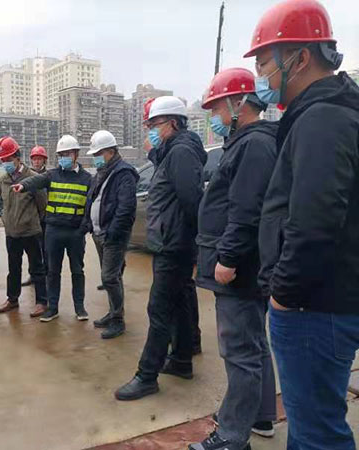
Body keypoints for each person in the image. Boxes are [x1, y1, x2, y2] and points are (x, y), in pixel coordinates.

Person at [246, 1, 359, 448]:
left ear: (300, 58)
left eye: (263, 63)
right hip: (321, 300)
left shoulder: (323, 118)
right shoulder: (328, 112)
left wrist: (284, 295)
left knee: (317, 434)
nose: (260, 75)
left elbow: (315, 220)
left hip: (313, 307)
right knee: (312, 425)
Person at [188, 68, 278, 450]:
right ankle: (255, 415)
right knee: (252, 346)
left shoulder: (253, 145)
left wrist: (226, 258)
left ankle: (231, 436)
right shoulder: (247, 143)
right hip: (243, 266)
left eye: (217, 109)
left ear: (238, 103)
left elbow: (245, 211)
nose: (215, 117)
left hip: (239, 270)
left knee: (240, 352)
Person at [115, 96, 206, 400]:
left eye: (155, 124)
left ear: (174, 123)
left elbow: (191, 200)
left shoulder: (181, 152)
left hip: (174, 244)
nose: (150, 130)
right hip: (172, 240)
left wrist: (188, 238)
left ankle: (147, 375)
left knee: (159, 308)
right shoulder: (175, 150)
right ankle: (181, 360)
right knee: (179, 302)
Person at [12, 135, 92, 322]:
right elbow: (36, 181)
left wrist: (84, 228)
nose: (63, 157)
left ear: (76, 154)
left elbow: (91, 207)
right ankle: (53, 308)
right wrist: (22, 185)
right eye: (61, 155)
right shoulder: (52, 175)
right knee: (52, 272)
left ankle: (80, 308)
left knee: (77, 271)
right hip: (54, 231)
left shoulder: (87, 179)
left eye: (67, 154)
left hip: (75, 232)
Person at [82, 130, 138, 339]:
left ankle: (117, 321)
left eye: (99, 153)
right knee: (112, 276)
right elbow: (93, 199)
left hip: (113, 235)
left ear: (111, 151)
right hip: (100, 233)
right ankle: (114, 312)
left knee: (109, 277)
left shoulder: (123, 173)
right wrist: (88, 223)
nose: (96, 158)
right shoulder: (102, 172)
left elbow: (126, 207)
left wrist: (113, 232)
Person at [0, 137, 48, 317]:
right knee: (13, 268)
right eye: (3, 160)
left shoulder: (33, 178)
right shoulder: (3, 180)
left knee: (37, 268)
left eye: (8, 159)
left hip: (30, 232)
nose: (6, 163)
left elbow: (42, 205)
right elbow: (2, 203)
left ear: (18, 157)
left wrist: (30, 220)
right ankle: (12, 299)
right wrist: (6, 220)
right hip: (11, 233)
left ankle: (41, 302)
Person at [21, 145, 49, 287]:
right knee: (32, 250)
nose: (37, 162)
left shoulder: (49, 176)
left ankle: (46, 275)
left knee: (46, 249)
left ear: (44, 160)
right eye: (35, 159)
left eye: (39, 159)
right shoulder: (27, 177)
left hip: (45, 219)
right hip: (31, 219)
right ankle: (33, 274)